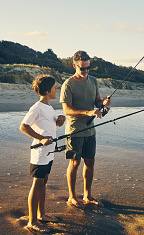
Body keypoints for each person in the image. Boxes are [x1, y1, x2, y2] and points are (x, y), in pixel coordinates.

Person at [60, 50, 111, 209]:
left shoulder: (94, 81)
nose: (86, 71)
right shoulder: (68, 84)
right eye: (83, 68)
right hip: (75, 130)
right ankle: (72, 197)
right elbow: (67, 110)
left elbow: (97, 103)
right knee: (74, 163)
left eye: (88, 68)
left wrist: (103, 105)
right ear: (74, 65)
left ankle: (87, 195)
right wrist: (87, 112)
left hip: (90, 130)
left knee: (90, 162)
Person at [20, 75, 66, 233]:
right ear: (48, 91)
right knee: (37, 184)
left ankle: (42, 214)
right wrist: (41, 139)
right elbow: (24, 127)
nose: (56, 90)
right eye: (54, 88)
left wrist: (60, 120)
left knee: (43, 183)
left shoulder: (49, 107)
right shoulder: (37, 107)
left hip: (49, 152)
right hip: (39, 152)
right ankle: (32, 221)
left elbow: (52, 124)